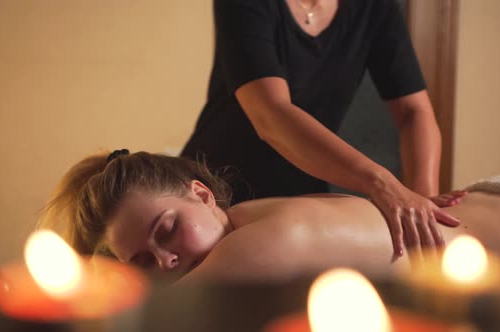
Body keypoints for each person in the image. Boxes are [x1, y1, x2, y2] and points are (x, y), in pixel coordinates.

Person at [180, 0, 462, 257]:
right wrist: (381, 182)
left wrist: (423, 202)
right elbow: (270, 115)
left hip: (301, 188)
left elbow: (414, 111)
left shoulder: (375, 7)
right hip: (215, 188)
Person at [37, 150, 500, 284]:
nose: (168, 261)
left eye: (167, 230)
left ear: (202, 194)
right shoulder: (242, 225)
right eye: (144, 262)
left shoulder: (260, 244)